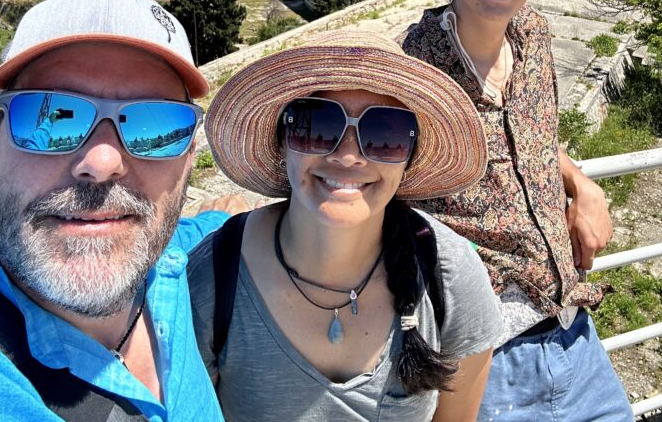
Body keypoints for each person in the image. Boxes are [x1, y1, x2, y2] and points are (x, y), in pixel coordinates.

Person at [0, 0, 228, 422]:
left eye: (156, 125)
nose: (102, 161)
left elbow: (211, 225)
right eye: (53, 118)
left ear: (187, 164)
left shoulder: (181, 263)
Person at [400, 0, 633, 421]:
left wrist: (582, 184)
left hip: (572, 329)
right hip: (484, 357)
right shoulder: (413, 71)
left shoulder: (534, 36)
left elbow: (535, 136)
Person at [188, 30, 504, 422]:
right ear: (281, 142)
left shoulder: (449, 275)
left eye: (384, 132)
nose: (349, 156)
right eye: (316, 123)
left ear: (408, 157)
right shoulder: (211, 279)